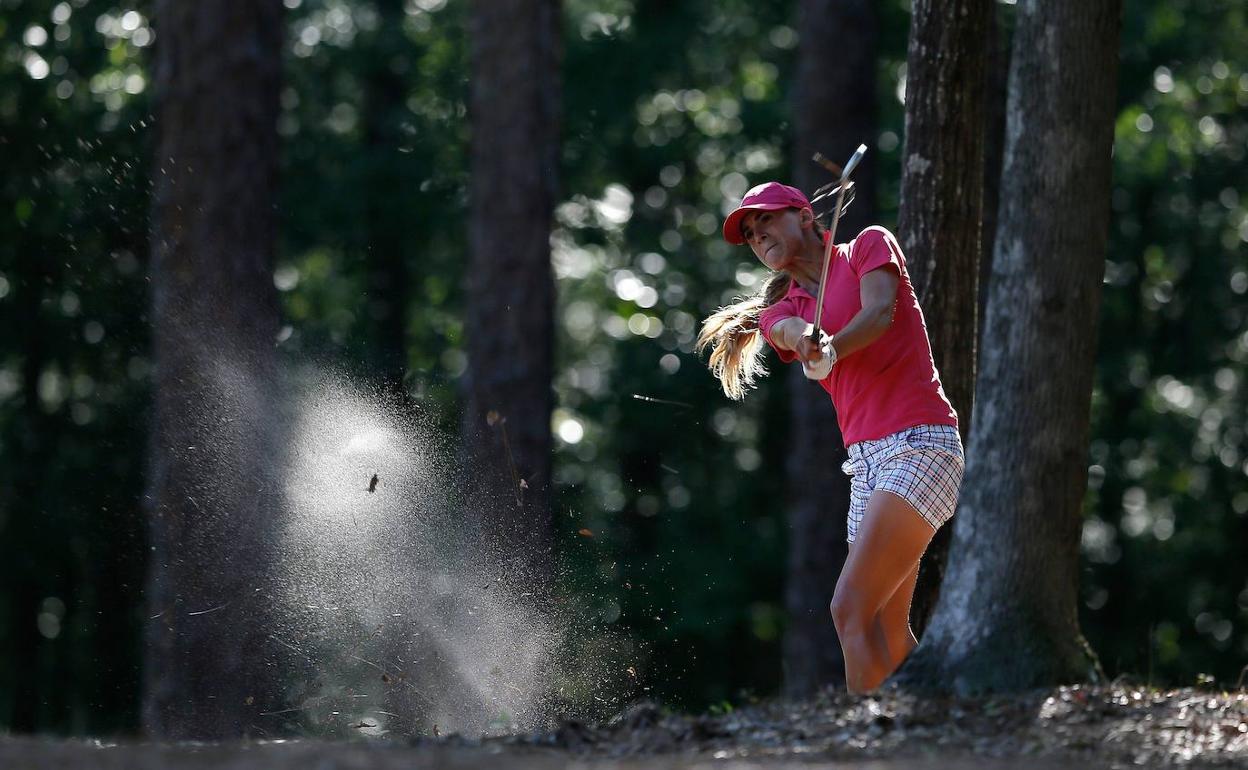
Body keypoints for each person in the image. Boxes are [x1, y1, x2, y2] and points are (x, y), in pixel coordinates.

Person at [696, 181, 964, 693]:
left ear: (802, 215)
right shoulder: (785, 307)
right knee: (883, 622)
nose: (759, 236)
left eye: (767, 221)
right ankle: (932, 726)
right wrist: (808, 340)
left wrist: (834, 348)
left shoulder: (867, 245)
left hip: (923, 444)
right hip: (864, 467)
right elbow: (788, 332)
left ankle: (867, 741)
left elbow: (879, 313)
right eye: (751, 234)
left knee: (848, 607)